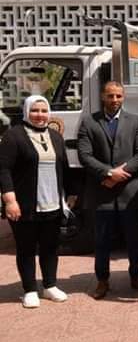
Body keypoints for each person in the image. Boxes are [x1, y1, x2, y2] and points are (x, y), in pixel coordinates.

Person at [77, 81, 138, 300]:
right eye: (110, 96)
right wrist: (108, 174)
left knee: (134, 239)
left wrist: (120, 173)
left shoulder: (136, 121)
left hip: (130, 192)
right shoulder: (89, 122)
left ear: (123, 96)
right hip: (102, 191)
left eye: (118, 96)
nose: (115, 100)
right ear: (103, 96)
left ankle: (136, 277)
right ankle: (102, 281)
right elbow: (84, 155)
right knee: (101, 241)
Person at [0, 96, 73, 308]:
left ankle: (50, 285)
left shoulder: (55, 137)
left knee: (50, 247)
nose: (39, 115)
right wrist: (10, 200)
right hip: (24, 204)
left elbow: (65, 167)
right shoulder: (14, 136)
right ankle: (30, 289)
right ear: (26, 112)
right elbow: (3, 170)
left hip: (52, 203)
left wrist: (72, 194)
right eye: (34, 110)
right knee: (26, 248)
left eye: (43, 110)